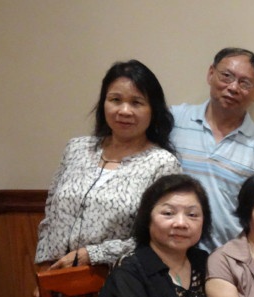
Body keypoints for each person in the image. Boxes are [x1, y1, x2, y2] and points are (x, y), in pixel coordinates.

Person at [35, 60, 181, 270]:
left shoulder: (162, 164)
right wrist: (43, 269)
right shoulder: (76, 149)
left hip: (118, 281)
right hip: (57, 278)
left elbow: (158, 237)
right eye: (115, 100)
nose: (124, 111)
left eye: (136, 103)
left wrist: (93, 255)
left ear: (153, 110)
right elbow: (50, 214)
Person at [171, 47, 254, 251]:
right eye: (226, 76)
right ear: (211, 74)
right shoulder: (175, 120)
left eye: (244, 83)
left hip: (226, 258)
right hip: (170, 250)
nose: (233, 87)